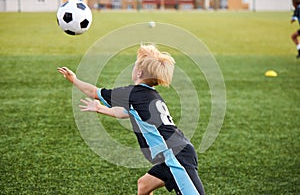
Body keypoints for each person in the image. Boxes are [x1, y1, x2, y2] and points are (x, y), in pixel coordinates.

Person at [57, 44, 205, 195]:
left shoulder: (133, 93)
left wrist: (74, 79)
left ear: (139, 72)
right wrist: (100, 108)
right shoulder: (150, 96)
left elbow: (93, 92)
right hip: (171, 154)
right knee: (143, 186)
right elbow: (124, 113)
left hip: (175, 155)